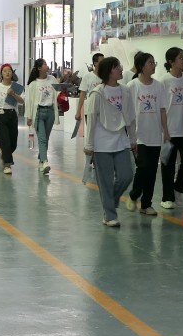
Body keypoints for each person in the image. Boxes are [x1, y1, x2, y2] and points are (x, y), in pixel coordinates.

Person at [84, 56, 135, 227]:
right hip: (101, 144)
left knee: (126, 175)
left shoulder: (125, 91)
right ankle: (109, 215)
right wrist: (89, 144)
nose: (121, 69)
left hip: (121, 141)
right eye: (116, 67)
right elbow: (91, 119)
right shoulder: (97, 93)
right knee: (105, 181)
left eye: (119, 66)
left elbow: (131, 117)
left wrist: (133, 139)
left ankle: (110, 201)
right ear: (108, 71)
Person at [122, 52, 167, 217]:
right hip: (139, 135)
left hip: (155, 135)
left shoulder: (159, 86)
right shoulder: (132, 86)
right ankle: (134, 195)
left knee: (152, 171)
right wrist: (130, 136)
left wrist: (166, 130)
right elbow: (127, 113)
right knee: (143, 168)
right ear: (141, 66)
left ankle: (146, 204)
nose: (153, 65)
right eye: (150, 63)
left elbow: (162, 110)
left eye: (154, 63)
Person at [159, 47, 183, 210]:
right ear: (171, 62)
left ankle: (178, 187)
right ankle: (167, 198)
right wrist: (164, 130)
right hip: (168, 130)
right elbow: (161, 108)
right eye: (180, 58)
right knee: (168, 165)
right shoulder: (163, 81)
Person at [27, 58, 58, 174]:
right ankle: (45, 161)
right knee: (42, 139)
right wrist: (29, 116)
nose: (47, 65)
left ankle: (41, 160)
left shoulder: (52, 79)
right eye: (44, 64)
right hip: (38, 113)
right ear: (39, 68)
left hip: (50, 112)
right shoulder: (33, 84)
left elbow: (58, 91)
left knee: (46, 138)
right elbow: (29, 101)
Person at [0, 63, 24, 174]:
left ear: (12, 73)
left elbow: (22, 101)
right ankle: (7, 164)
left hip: (12, 115)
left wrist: (14, 94)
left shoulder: (16, 87)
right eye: (5, 71)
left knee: (13, 142)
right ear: (1, 73)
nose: (7, 73)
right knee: (4, 140)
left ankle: (5, 154)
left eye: (9, 71)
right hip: (0, 114)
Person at [70, 52, 105, 138]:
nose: (104, 63)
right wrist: (78, 112)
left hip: (104, 110)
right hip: (91, 110)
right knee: (92, 134)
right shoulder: (87, 77)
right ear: (95, 63)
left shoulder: (106, 76)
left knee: (103, 135)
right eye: (102, 61)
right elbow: (82, 95)